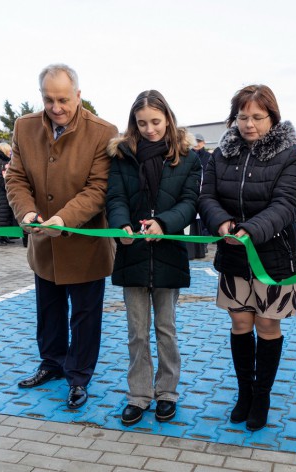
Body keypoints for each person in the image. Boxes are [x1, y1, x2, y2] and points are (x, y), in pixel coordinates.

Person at [5, 64, 118, 410]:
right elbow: (16, 178)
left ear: (78, 95)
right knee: (48, 310)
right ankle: (51, 363)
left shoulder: (103, 132)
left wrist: (63, 218)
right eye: (49, 99)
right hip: (43, 242)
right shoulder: (24, 127)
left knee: (85, 315)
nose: (56, 107)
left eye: (64, 99)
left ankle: (79, 376)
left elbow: (98, 189)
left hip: (84, 245)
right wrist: (26, 213)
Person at [199, 84, 296, 431]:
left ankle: (262, 395)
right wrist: (222, 222)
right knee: (240, 324)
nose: (249, 124)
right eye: (243, 116)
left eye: (257, 117)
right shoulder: (221, 154)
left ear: (272, 117)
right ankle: (244, 392)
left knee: (266, 325)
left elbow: (288, 202)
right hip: (233, 257)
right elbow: (207, 196)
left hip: (274, 257)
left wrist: (251, 229)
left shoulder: (290, 154)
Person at [106, 90, 201, 426]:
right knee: (136, 331)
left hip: (168, 254)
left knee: (166, 329)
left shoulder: (187, 156)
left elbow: (190, 203)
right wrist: (121, 225)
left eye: (155, 121)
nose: (149, 129)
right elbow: (114, 197)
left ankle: (167, 393)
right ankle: (139, 395)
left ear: (168, 118)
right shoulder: (121, 155)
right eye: (142, 122)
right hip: (132, 254)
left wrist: (164, 223)